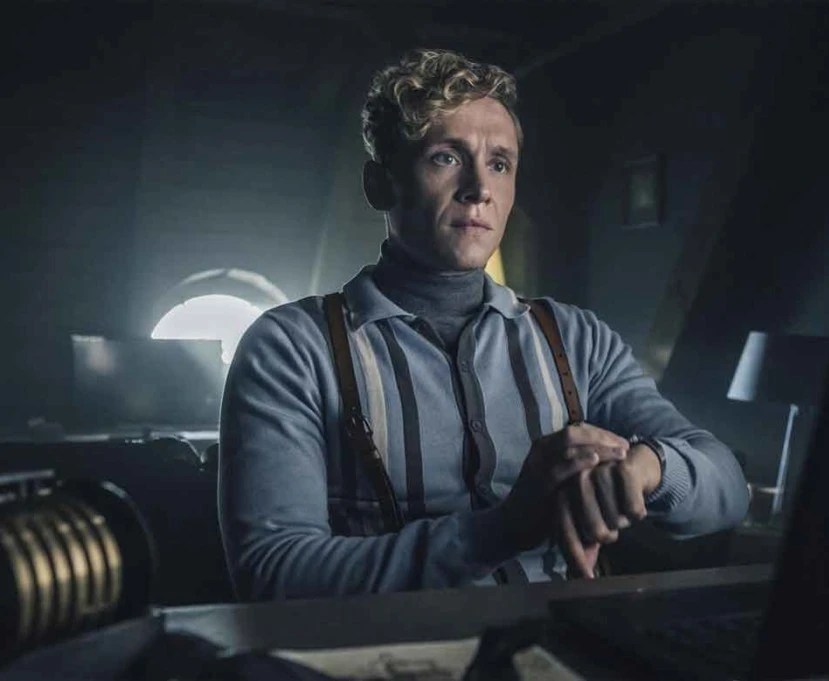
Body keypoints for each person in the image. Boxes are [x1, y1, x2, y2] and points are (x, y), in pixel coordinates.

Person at [218, 48, 749, 601]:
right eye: (446, 157)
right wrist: (503, 528)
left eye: (499, 163)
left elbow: (728, 489)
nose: (479, 188)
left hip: (562, 640)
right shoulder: (290, 348)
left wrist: (647, 470)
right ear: (379, 184)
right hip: (390, 646)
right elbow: (272, 574)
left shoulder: (578, 340)